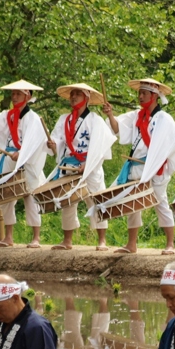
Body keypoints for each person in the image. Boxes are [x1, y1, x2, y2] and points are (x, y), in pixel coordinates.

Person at [102, 77, 175, 254]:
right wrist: (110, 115)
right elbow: (118, 129)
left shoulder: (164, 118)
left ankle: (170, 243)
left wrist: (160, 162)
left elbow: (173, 144)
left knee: (160, 202)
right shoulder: (136, 115)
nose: (140, 96)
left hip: (155, 167)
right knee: (133, 204)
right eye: (139, 93)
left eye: (144, 93)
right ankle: (131, 244)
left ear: (154, 96)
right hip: (137, 166)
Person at [0, 79, 49, 248]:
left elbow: (36, 142)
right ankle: (8, 236)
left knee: (30, 195)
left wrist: (22, 154)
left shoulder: (34, 118)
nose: (14, 97)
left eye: (18, 94)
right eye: (13, 93)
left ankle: (36, 237)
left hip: (29, 160)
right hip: (9, 157)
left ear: (27, 95)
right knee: (4, 192)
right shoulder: (7, 115)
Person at [46, 83, 116, 251]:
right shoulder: (64, 119)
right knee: (68, 201)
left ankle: (102, 240)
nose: (73, 96)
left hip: (90, 164)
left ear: (87, 98)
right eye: (72, 94)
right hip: (69, 165)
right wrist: (52, 145)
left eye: (77, 93)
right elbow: (57, 142)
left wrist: (88, 164)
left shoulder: (96, 120)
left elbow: (101, 146)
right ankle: (67, 240)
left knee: (96, 199)